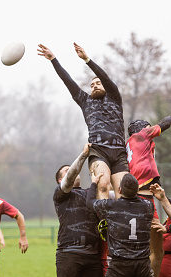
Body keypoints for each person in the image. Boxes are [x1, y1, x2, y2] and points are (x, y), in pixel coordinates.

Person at [38, 43, 128, 200]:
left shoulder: (114, 97)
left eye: (97, 83)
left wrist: (87, 59)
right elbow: (69, 82)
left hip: (119, 152)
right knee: (103, 185)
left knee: (124, 192)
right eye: (91, 85)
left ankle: (120, 223)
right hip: (99, 151)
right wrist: (53, 59)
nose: (94, 86)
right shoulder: (86, 101)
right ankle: (104, 223)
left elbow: (105, 77)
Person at [87, 172, 160, 277]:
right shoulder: (148, 207)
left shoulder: (111, 206)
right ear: (137, 190)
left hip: (119, 264)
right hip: (142, 265)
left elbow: (89, 202)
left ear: (119, 189)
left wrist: (93, 183)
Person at [42, 143, 102, 277]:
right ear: (61, 179)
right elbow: (69, 177)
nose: (73, 172)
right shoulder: (61, 194)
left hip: (93, 256)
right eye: (67, 171)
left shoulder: (90, 193)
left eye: (74, 170)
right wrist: (84, 155)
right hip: (69, 254)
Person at [126, 117, 171, 277]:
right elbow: (162, 126)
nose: (151, 130)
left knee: (134, 249)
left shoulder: (133, 146)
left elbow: (152, 176)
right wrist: (169, 119)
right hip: (144, 201)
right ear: (142, 129)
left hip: (134, 200)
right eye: (149, 127)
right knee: (157, 251)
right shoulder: (141, 136)